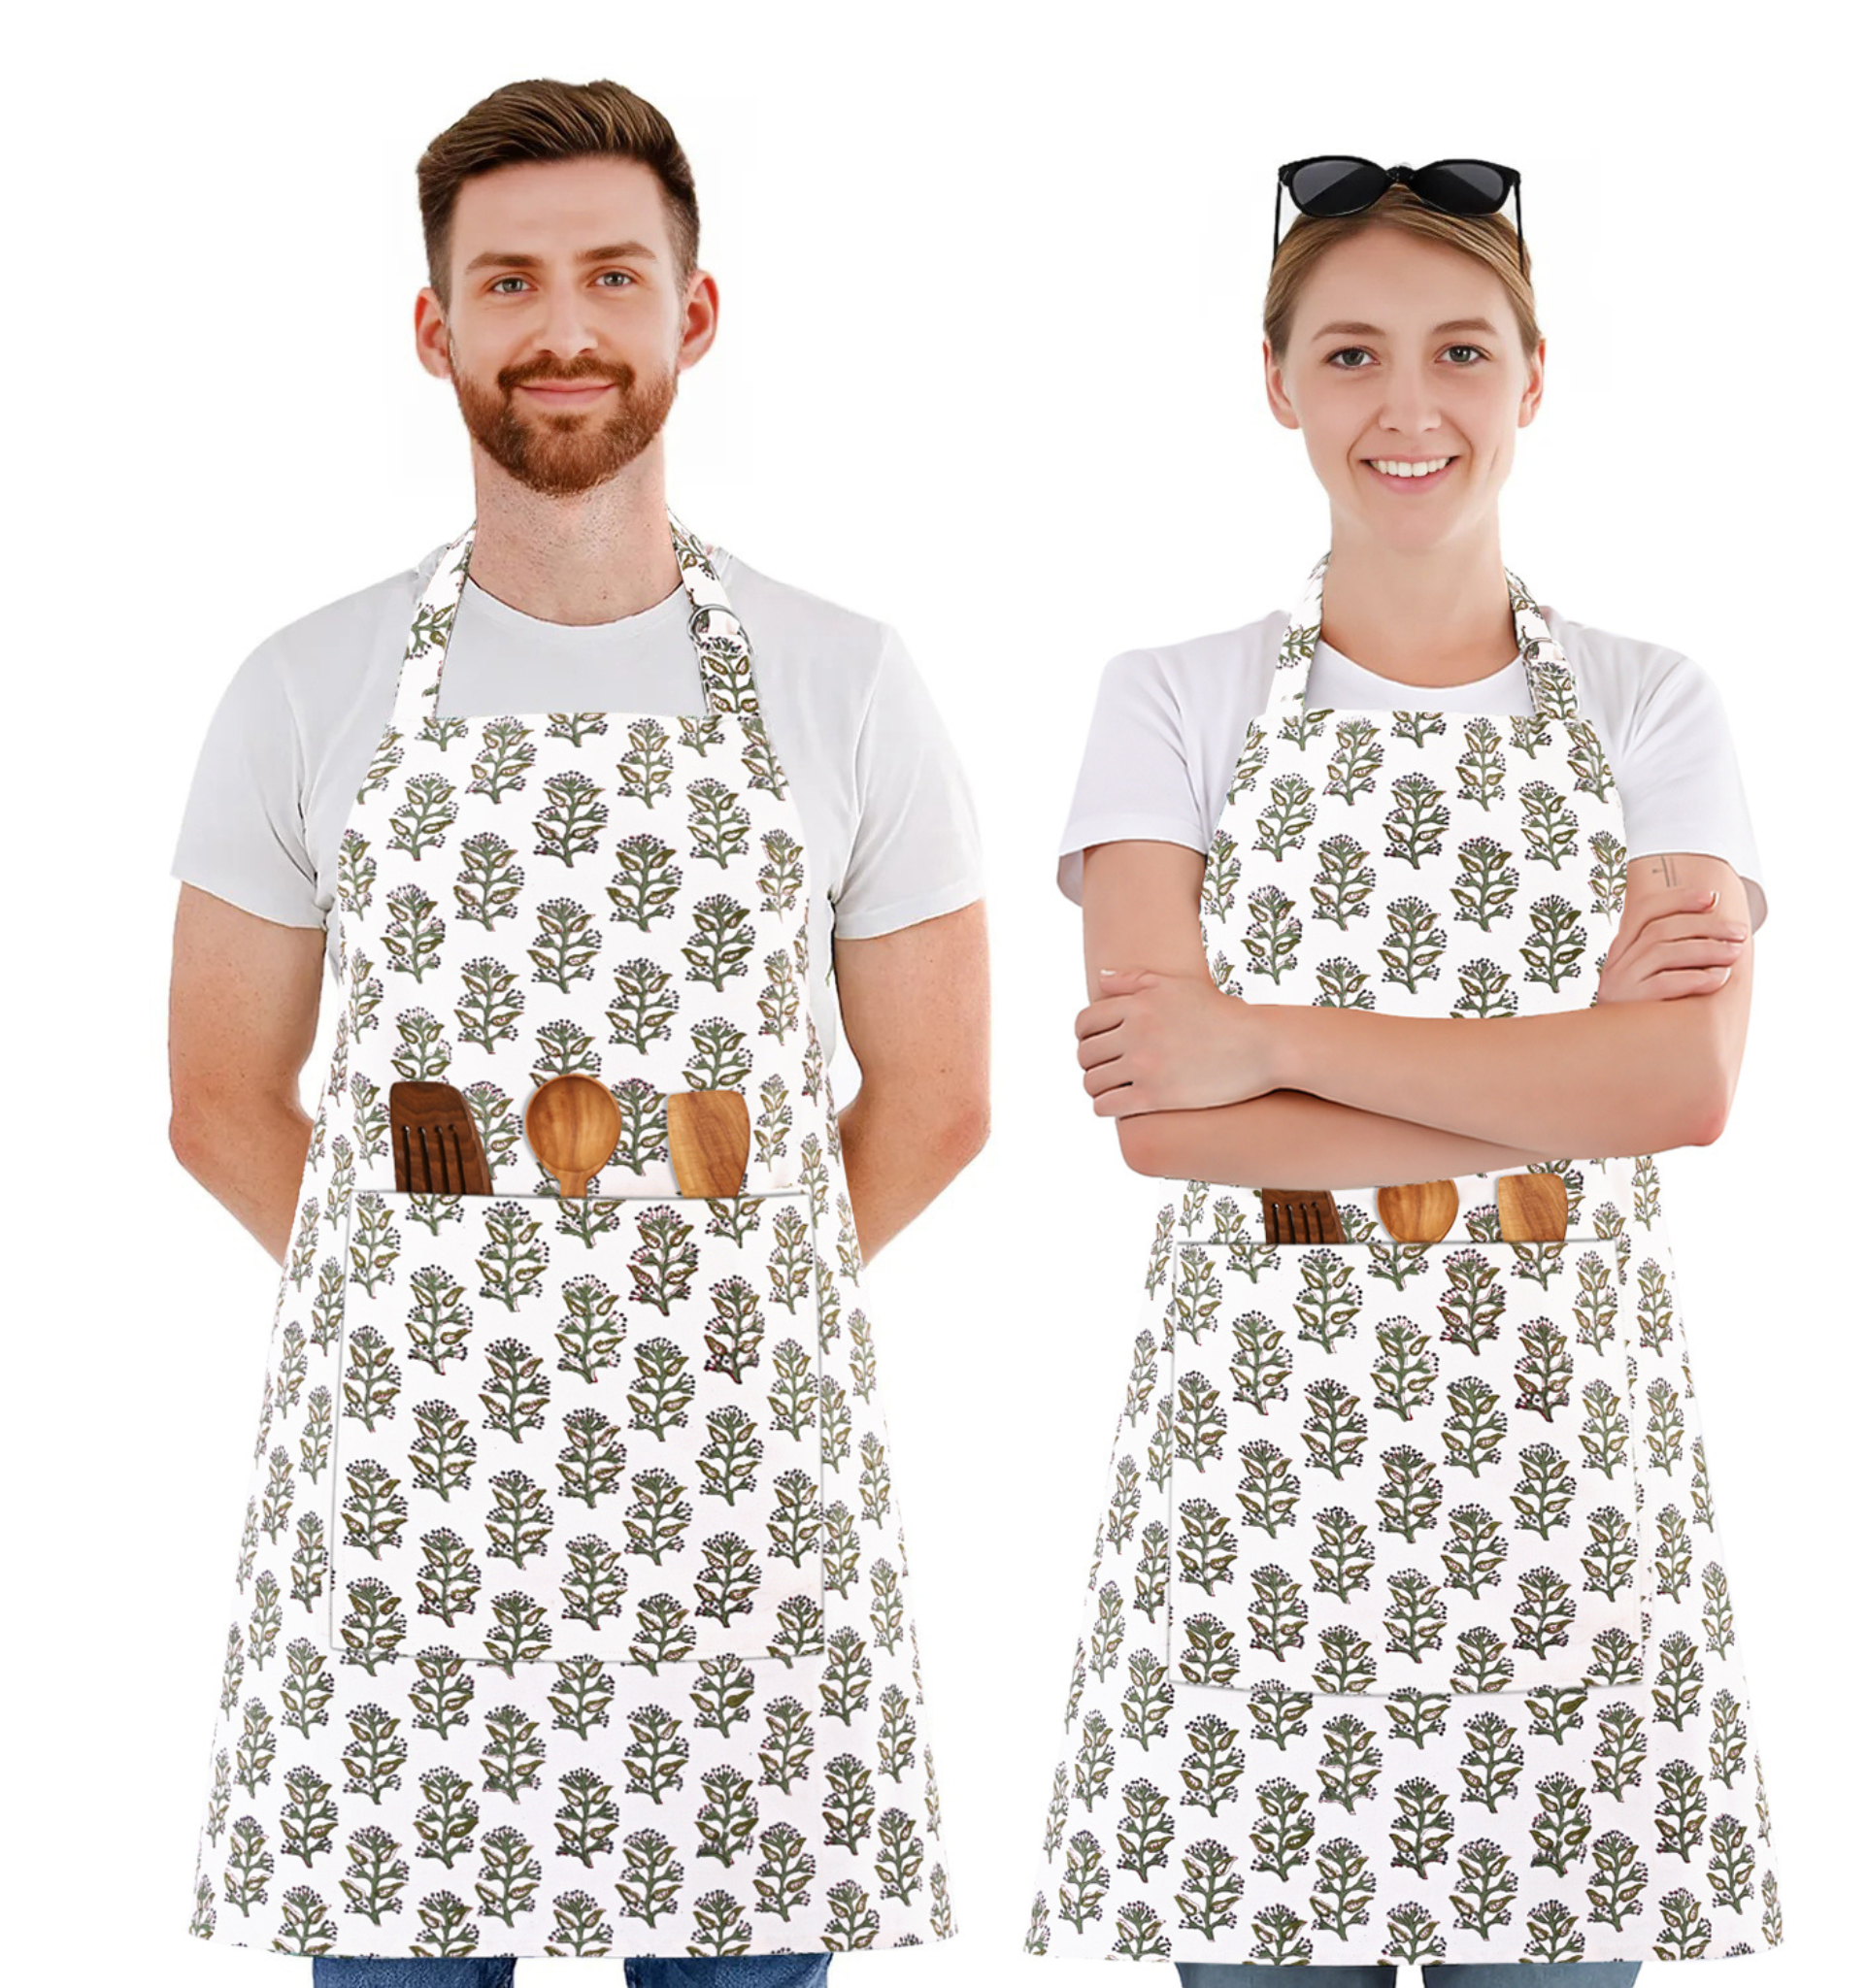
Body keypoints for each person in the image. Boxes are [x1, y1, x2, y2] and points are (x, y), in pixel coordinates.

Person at [166, 78, 987, 1984]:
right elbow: (217, 1099)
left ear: (690, 315)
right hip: (405, 1520)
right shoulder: (304, 685)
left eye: (612, 275)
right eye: (510, 281)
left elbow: (939, 1100)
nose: (562, 327)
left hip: (735, 1513)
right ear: (436, 327)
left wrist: (706, 1338)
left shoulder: (845, 679)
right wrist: (436, 1338)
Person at [1017, 160, 1784, 1982]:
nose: (1408, 405)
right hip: (1256, 1505)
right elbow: (1164, 1129)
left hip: (1561, 1509)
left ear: (1536, 377)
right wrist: (1550, 1067)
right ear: (1278, 383)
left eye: (1460, 350)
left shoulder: (1652, 702)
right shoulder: (1172, 698)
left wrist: (1264, 1036)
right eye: (1351, 354)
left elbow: (1679, 1093)